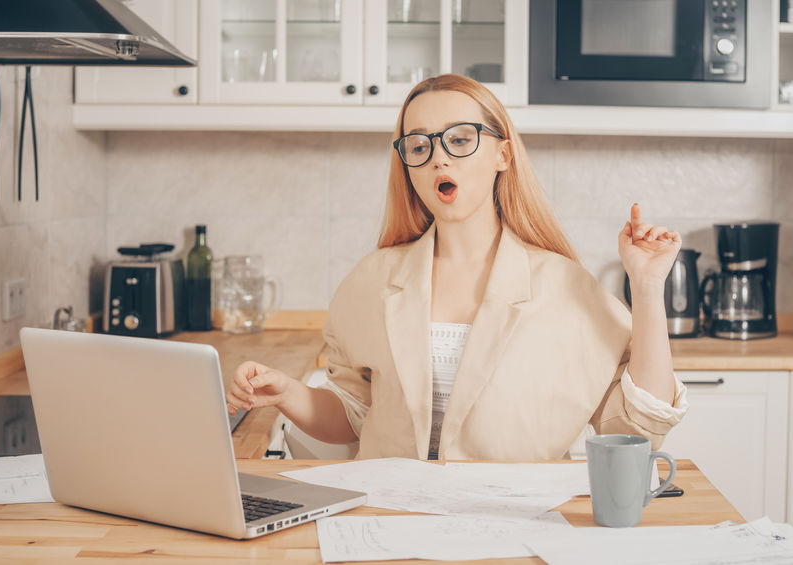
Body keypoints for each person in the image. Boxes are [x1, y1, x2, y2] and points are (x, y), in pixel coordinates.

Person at [226, 74, 688, 460]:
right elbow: (353, 415)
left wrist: (647, 288)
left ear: (502, 155)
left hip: (515, 527)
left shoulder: (568, 289)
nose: (439, 157)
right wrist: (287, 393)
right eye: (418, 145)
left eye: (460, 139)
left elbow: (640, 428)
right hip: (392, 520)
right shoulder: (371, 282)